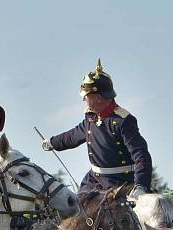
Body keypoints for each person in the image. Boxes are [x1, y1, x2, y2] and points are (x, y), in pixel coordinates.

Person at [42, 59, 152, 197]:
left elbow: (141, 155)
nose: (83, 100)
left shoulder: (123, 121)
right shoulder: (91, 117)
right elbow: (73, 136)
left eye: (86, 96)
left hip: (120, 183)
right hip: (93, 181)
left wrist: (141, 185)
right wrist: (52, 142)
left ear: (98, 98)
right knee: (76, 211)